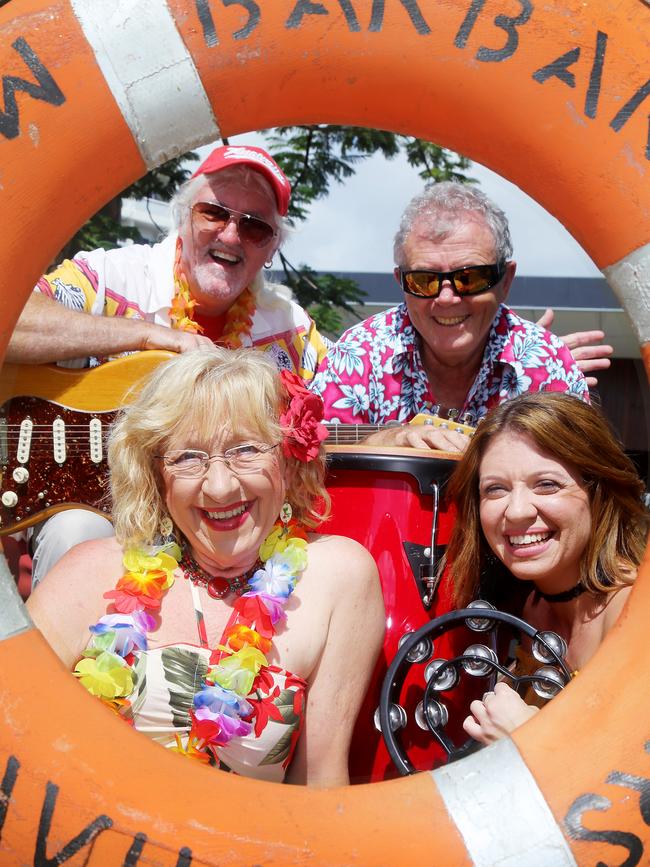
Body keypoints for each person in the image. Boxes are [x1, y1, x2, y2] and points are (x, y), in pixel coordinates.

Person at [26, 347, 385, 785]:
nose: (219, 486)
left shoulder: (336, 577)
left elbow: (322, 788)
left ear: (289, 464)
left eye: (246, 450)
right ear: (156, 476)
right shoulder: (92, 570)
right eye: (188, 457)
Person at [8, 143, 330, 587]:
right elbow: (12, 318)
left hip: (222, 519)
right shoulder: (114, 277)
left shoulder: (291, 331)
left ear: (271, 248)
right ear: (183, 216)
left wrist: (391, 433)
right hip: (94, 508)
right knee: (77, 535)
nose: (232, 236)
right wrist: (149, 336)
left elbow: (339, 414)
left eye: (255, 227)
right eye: (214, 213)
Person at [311, 182, 610, 452]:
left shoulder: (546, 362)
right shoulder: (359, 353)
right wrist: (383, 441)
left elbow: (577, 477)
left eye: (469, 278)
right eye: (424, 280)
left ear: (505, 281)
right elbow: (306, 452)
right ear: (400, 282)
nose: (446, 298)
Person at [442, 392, 648, 744]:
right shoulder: (528, 606)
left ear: (599, 489)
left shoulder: (636, 610)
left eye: (547, 484)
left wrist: (531, 738)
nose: (517, 510)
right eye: (495, 489)